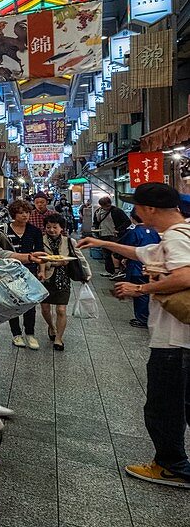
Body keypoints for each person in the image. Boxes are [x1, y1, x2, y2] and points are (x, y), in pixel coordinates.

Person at [78, 183, 190, 488]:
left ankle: (171, 465)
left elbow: (185, 275)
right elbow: (144, 253)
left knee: (163, 406)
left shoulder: (177, 238)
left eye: (138, 206)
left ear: (150, 209)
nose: (135, 212)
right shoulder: (182, 233)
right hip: (181, 339)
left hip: (174, 339)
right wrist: (104, 244)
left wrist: (139, 288)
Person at [38, 213, 90, 351]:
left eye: (55, 227)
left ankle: (59, 339)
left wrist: (87, 274)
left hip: (63, 279)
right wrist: (53, 264)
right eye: (48, 227)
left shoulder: (69, 241)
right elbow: (38, 260)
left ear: (62, 228)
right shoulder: (40, 240)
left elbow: (80, 258)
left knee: (61, 309)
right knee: (45, 308)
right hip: (45, 278)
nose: (51, 230)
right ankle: (51, 326)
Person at [5, 200, 43, 349]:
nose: (25, 215)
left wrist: (41, 270)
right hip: (10, 271)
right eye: (21, 213)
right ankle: (16, 334)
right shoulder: (4, 229)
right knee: (13, 303)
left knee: (30, 303)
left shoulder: (34, 231)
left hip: (29, 271)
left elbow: (40, 251)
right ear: (14, 214)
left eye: (27, 212)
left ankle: (30, 333)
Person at [119, 212, 161, 328]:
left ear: (132, 218)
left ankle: (142, 319)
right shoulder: (154, 232)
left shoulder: (134, 232)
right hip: (152, 267)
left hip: (136, 267)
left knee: (140, 293)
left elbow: (125, 247)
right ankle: (148, 317)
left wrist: (123, 258)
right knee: (148, 292)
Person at [94, 196, 131, 274]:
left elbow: (127, 221)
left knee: (116, 253)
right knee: (106, 254)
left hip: (114, 236)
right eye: (104, 206)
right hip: (103, 235)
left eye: (107, 206)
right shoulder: (98, 212)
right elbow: (96, 222)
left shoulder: (117, 211)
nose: (106, 208)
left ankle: (118, 271)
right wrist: (95, 229)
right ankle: (109, 271)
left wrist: (118, 230)